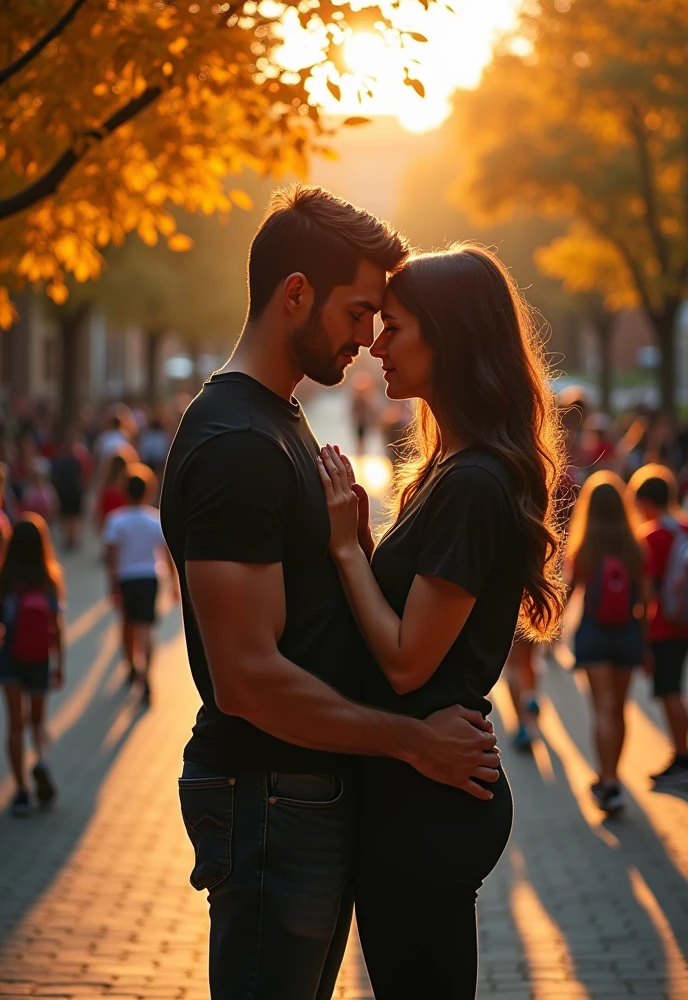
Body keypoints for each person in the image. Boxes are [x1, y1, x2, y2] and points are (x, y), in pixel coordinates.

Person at [160, 187, 502, 1000]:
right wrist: (411, 742)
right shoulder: (241, 442)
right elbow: (247, 679)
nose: (367, 338)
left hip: (295, 798)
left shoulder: (274, 421)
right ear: (295, 295)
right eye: (357, 313)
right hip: (269, 796)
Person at [316, 244, 566, 1000]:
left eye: (395, 328)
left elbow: (406, 662)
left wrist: (344, 551)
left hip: (428, 802)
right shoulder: (452, 469)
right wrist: (364, 546)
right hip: (421, 787)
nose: (376, 345)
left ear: (449, 339)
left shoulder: (474, 482)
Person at [565, 471, 648, 813]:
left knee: (603, 708)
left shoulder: (586, 545)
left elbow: (571, 592)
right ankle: (615, 777)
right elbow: (644, 600)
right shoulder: (635, 545)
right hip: (627, 634)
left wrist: (551, 630)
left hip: (594, 634)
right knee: (621, 710)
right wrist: (645, 646)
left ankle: (608, 780)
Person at [0, 514, 66, 816]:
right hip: (40, 658)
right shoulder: (49, 579)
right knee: (38, 721)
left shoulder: (5, 579)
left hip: (10, 657)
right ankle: (41, 759)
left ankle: (22, 792)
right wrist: (60, 664)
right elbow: (57, 626)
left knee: (16, 725)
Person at [629, 465, 688, 789]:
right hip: (686, 621)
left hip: (666, 626)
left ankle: (683, 759)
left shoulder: (651, 536)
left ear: (644, 501)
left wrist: (643, 639)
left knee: (670, 692)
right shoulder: (683, 528)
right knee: (675, 689)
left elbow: (646, 593)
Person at [103, 465, 176, 702]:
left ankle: (131, 666)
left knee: (127, 624)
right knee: (146, 627)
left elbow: (112, 557)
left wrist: (112, 585)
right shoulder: (154, 519)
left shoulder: (116, 520)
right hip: (150, 577)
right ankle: (146, 675)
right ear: (147, 492)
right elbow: (166, 553)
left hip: (126, 577)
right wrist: (174, 583)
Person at [505, 636, 541, 751]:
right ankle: (530, 697)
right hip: (532, 618)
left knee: (514, 664)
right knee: (529, 658)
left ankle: (523, 725)